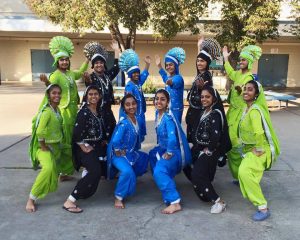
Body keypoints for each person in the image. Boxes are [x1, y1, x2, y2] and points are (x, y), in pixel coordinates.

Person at [40, 36, 89, 181]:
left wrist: (87, 60)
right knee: (67, 140)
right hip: (64, 110)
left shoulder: (69, 74)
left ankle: (69, 168)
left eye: (66, 59)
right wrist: (46, 82)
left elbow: (80, 72)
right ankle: (63, 172)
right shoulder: (55, 75)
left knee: (75, 137)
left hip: (74, 109)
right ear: (57, 61)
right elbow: (52, 88)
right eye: (62, 60)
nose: (64, 62)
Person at [235, 80, 280, 221]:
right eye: (244, 89)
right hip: (250, 147)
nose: (246, 92)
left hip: (262, 149)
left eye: (250, 90)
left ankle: (263, 207)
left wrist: (259, 149)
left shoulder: (254, 111)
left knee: (244, 171)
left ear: (256, 94)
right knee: (241, 167)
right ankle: (248, 181)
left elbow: (259, 133)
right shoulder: (246, 108)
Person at [187, 85, 231, 214]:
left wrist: (210, 149)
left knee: (196, 174)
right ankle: (202, 183)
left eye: (207, 97)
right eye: (202, 97)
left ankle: (219, 202)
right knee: (185, 163)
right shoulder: (203, 111)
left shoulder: (215, 114)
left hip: (211, 150)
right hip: (200, 148)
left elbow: (216, 135)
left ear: (214, 98)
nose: (204, 99)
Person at [62, 86, 107, 213]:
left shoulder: (98, 111)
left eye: (96, 94)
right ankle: (70, 201)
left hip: (96, 146)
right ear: (86, 97)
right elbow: (76, 133)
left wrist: (103, 140)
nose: (93, 96)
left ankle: (85, 190)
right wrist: (82, 146)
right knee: (95, 171)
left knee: (100, 171)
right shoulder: (84, 112)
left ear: (99, 96)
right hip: (84, 148)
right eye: (91, 94)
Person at [222, 45, 262, 182]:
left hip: (241, 115)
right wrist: (225, 58)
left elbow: (245, 91)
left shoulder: (249, 78)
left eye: (244, 60)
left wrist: (240, 90)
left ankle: (244, 174)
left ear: (250, 62)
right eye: (240, 60)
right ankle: (239, 175)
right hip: (232, 113)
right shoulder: (238, 74)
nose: (241, 62)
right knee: (230, 144)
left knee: (235, 144)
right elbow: (230, 72)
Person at [149, 89, 191, 214]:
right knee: (151, 156)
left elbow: (172, 138)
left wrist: (170, 152)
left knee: (159, 171)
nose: (159, 101)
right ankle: (167, 182)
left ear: (167, 102)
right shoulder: (158, 114)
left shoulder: (167, 118)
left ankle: (174, 202)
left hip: (173, 152)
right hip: (162, 148)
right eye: (157, 99)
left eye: (162, 99)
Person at [107, 94, 149, 209]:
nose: (131, 107)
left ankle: (130, 180)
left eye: (133, 104)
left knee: (145, 158)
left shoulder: (137, 119)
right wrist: (118, 151)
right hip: (119, 155)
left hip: (130, 153)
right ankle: (118, 197)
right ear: (123, 108)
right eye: (127, 104)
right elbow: (115, 141)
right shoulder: (124, 123)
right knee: (127, 172)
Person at [26, 84, 63, 212]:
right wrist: (43, 146)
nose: (57, 95)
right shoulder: (47, 112)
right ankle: (31, 199)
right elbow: (40, 131)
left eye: (59, 93)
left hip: (55, 147)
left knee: (55, 170)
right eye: (54, 93)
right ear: (48, 95)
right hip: (43, 148)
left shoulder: (57, 110)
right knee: (47, 169)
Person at [83, 41, 120, 141]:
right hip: (97, 113)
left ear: (104, 64)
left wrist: (116, 50)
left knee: (111, 138)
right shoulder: (91, 77)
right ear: (93, 65)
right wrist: (87, 80)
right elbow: (89, 86)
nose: (99, 65)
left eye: (101, 62)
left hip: (108, 112)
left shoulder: (107, 75)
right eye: (96, 63)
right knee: (99, 139)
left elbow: (116, 68)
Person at [186, 37, 221, 142]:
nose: (199, 63)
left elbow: (208, 92)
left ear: (207, 63)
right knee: (193, 135)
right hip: (194, 110)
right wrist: (199, 48)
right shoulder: (200, 74)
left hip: (199, 111)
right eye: (197, 61)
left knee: (198, 135)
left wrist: (203, 88)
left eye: (202, 61)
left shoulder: (206, 76)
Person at [119, 49, 151, 142]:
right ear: (130, 74)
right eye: (134, 73)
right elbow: (128, 104)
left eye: (137, 72)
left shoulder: (138, 83)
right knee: (133, 137)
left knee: (139, 138)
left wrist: (147, 64)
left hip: (140, 115)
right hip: (134, 116)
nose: (137, 74)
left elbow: (144, 75)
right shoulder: (129, 86)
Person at [155, 47, 186, 123]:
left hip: (176, 110)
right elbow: (165, 78)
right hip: (167, 109)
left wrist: (169, 82)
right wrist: (159, 65)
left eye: (171, 65)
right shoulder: (169, 77)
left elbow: (171, 82)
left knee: (174, 131)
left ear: (175, 65)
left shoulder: (178, 78)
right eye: (167, 65)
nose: (168, 67)